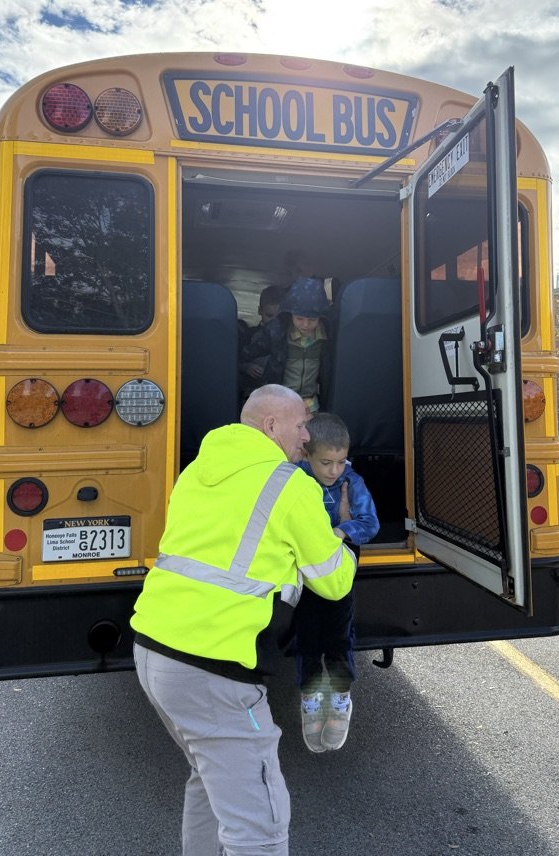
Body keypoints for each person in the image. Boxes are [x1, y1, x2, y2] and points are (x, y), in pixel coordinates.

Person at [131, 385, 356, 856]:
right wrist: (345, 547)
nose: (307, 436)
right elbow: (333, 582)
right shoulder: (290, 482)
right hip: (212, 666)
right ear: (271, 425)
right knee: (260, 826)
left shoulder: (196, 469)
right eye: (300, 424)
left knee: (208, 780)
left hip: (154, 648)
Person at [293, 412, 380, 753]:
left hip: (338, 571)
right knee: (307, 634)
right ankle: (311, 697)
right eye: (325, 462)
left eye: (340, 461)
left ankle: (341, 697)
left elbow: (369, 522)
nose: (333, 471)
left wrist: (342, 530)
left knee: (339, 634)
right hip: (305, 572)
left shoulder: (351, 482)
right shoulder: (295, 479)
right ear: (306, 456)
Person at [239, 277, 331, 411]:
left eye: (312, 319)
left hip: (310, 403)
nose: (305, 325)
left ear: (321, 317)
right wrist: (244, 366)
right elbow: (245, 353)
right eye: (299, 318)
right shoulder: (277, 332)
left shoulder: (327, 335)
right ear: (289, 314)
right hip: (280, 400)